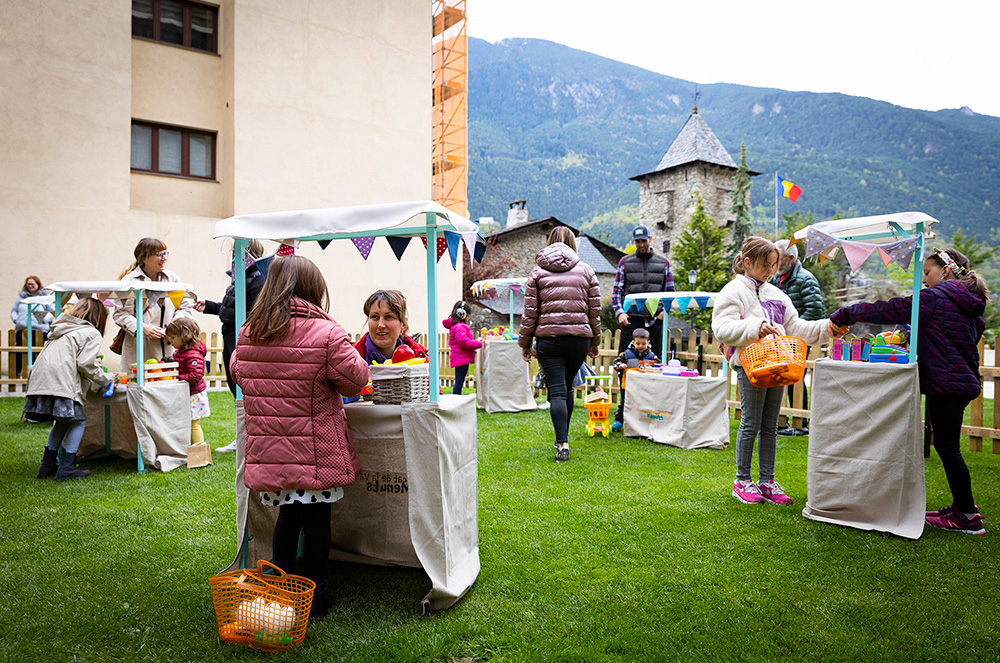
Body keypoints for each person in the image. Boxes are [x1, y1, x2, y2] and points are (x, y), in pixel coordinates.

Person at [231, 255, 370, 621]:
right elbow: (356, 379)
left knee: (288, 516)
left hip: (271, 448)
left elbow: (238, 373)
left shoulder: (249, 332)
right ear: (313, 288)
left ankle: (280, 589)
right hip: (314, 448)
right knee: (317, 519)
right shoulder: (326, 333)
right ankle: (315, 595)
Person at [830, 247, 989, 535]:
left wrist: (846, 313)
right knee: (946, 445)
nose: (923, 280)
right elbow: (951, 338)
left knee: (948, 447)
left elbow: (887, 308)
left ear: (946, 271)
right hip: (960, 382)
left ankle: (967, 515)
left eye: (927, 273)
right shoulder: (970, 305)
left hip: (947, 385)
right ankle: (961, 508)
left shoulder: (933, 299)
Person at [712, 236, 839, 506]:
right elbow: (722, 328)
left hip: (778, 366)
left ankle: (766, 481)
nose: (770, 271)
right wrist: (754, 328)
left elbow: (798, 328)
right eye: (765, 265)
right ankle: (742, 481)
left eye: (774, 265)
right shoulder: (732, 292)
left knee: (770, 425)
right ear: (747, 262)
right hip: (751, 367)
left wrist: (828, 327)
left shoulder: (778, 295)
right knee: (750, 423)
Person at [518, 227, 601, 462]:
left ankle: (562, 443)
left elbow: (530, 313)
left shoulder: (537, 272)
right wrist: (595, 341)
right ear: (573, 244)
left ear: (549, 243)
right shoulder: (587, 271)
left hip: (549, 340)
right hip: (579, 340)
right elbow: (594, 311)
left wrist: (525, 343)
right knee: (567, 388)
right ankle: (563, 438)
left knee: (556, 390)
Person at [23, 297, 115, 480]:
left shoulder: (61, 328)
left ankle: (47, 466)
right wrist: (107, 380)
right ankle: (67, 467)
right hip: (62, 380)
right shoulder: (90, 332)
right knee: (77, 421)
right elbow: (86, 364)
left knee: (62, 422)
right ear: (99, 317)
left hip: (42, 380)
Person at [195, 239, 267, 452]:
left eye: (237, 250)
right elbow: (232, 309)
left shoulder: (258, 278)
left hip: (242, 339)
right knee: (234, 387)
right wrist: (209, 306)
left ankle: (251, 438)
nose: (233, 255)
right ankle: (242, 437)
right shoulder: (239, 278)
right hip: (230, 336)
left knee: (244, 389)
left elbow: (257, 313)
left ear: (248, 251)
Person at [611, 224, 674, 421]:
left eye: (643, 241)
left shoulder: (663, 263)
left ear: (650, 239)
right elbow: (616, 292)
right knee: (625, 365)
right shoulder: (625, 262)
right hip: (631, 321)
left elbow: (670, 293)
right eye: (637, 241)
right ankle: (624, 411)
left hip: (655, 322)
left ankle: (653, 411)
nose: (640, 244)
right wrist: (620, 313)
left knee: (655, 366)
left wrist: (663, 312)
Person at [113, 238, 196, 371]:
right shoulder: (129, 281)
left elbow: (184, 307)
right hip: (140, 347)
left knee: (168, 379)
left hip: (170, 346)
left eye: (165, 253)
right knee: (142, 380)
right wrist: (142, 328)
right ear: (144, 258)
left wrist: (174, 327)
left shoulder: (173, 279)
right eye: (158, 255)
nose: (164, 258)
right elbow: (121, 314)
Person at [772, 239, 825, 436]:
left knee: (795, 377)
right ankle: (781, 421)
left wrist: (793, 330)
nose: (774, 262)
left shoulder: (806, 279)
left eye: (778, 258)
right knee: (780, 376)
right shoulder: (776, 279)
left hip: (798, 338)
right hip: (780, 338)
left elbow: (815, 311)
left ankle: (800, 423)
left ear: (791, 258)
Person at [165, 318, 210, 446]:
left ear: (185, 335)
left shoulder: (193, 354)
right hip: (186, 393)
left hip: (193, 395)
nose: (170, 341)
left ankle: (199, 450)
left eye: (173, 337)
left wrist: (176, 377)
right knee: (186, 423)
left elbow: (196, 375)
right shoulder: (180, 352)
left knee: (193, 424)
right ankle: (188, 448)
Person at [353, 289, 428, 364]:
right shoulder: (350, 359)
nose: (381, 325)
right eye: (374, 317)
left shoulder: (422, 360)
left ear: (403, 324)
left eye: (389, 317)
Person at [611, 328, 659, 432]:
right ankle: (619, 421)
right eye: (638, 343)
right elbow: (616, 363)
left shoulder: (652, 356)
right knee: (625, 403)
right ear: (633, 342)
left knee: (643, 404)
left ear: (648, 343)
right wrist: (620, 365)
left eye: (643, 344)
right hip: (627, 385)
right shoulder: (626, 354)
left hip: (644, 386)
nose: (640, 346)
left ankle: (642, 424)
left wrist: (656, 367)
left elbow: (658, 365)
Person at [11, 275, 54, 378]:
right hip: (23, 329)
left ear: (38, 285)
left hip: (39, 330)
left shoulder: (44, 298)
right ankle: (18, 373)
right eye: (28, 284)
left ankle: (38, 374)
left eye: (32, 284)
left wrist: (44, 319)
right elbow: (14, 311)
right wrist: (17, 319)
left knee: (38, 352)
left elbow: (53, 310)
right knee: (19, 351)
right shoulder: (21, 298)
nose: (30, 286)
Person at [443, 300, 481, 395]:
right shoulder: (460, 327)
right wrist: (478, 343)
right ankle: (456, 398)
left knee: (459, 381)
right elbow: (464, 342)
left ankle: (456, 397)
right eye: (468, 314)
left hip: (460, 358)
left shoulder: (457, 326)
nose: (469, 317)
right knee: (459, 382)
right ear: (462, 314)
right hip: (461, 359)